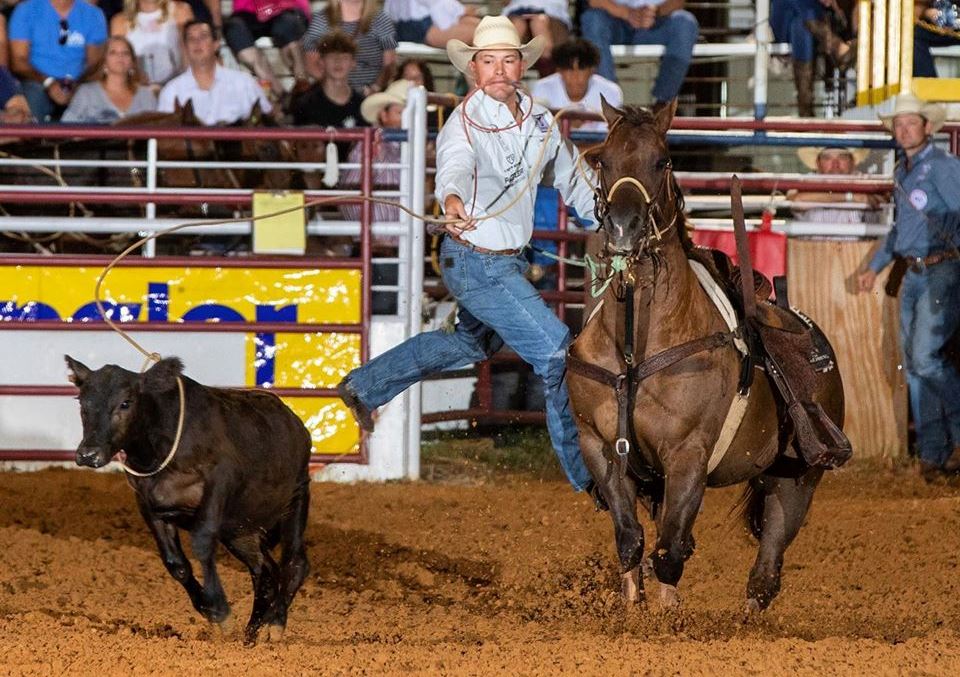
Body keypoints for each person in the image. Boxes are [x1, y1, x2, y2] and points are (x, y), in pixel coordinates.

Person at [336, 15, 599, 494]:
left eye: (507, 59)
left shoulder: (541, 119)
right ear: (475, 70)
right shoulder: (464, 121)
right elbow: (453, 168)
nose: (498, 70)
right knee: (558, 349)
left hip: (500, 260)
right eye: (488, 62)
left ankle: (364, 386)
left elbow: (574, 180)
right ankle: (587, 480)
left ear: (521, 66)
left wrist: (605, 216)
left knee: (470, 344)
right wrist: (451, 200)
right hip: (476, 259)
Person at [856, 94, 960, 481]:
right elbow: (901, 229)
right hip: (917, 272)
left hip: (940, 269)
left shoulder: (943, 169)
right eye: (898, 125)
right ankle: (934, 453)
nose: (903, 130)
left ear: (926, 127)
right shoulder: (905, 171)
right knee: (917, 365)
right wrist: (876, 266)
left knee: (924, 359)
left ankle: (949, 442)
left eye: (910, 123)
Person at [578, 0, 698, 105]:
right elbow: (593, 1)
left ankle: (662, 105)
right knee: (592, 19)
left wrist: (656, 12)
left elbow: (678, 2)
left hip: (655, 22)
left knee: (685, 23)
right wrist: (627, 13)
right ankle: (610, 104)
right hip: (613, 20)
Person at [157, 19, 271, 125]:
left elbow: (265, 118)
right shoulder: (171, 92)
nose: (197, 43)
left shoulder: (244, 83)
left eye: (203, 37)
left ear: (216, 44)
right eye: (191, 39)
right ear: (185, 48)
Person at [9, 0, 108, 122]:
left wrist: (73, 85)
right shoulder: (26, 10)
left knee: (93, 97)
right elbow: (19, 62)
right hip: (37, 81)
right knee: (30, 99)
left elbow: (94, 63)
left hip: (79, 82)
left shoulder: (93, 14)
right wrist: (49, 82)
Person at [770, 0, 855, 117]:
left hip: (817, 19)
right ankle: (836, 46)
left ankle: (805, 109)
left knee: (800, 26)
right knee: (797, 10)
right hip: (786, 19)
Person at [302, 0, 396, 96]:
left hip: (370, 95)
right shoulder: (320, 19)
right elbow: (312, 65)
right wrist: (336, 88)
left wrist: (375, 89)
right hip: (330, 94)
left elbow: (389, 65)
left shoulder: (381, 20)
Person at [221, 0, 309, 100]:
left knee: (287, 26)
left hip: (287, 9)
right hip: (248, 11)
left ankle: (303, 89)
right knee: (235, 30)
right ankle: (283, 97)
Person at [531, 37, 622, 132]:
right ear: (559, 71)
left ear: (592, 70)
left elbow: (607, 135)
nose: (575, 76)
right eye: (569, 69)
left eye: (581, 69)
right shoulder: (542, 89)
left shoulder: (610, 92)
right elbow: (540, 131)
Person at [62, 34, 156, 121]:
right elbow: (66, 127)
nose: (120, 56)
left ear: (132, 62)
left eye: (125, 53)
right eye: (113, 53)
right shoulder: (87, 93)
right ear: (104, 61)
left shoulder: (146, 95)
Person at [109, 0, 193, 92]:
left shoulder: (180, 11)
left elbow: (191, 57)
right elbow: (119, 68)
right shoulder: (119, 21)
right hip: (138, 93)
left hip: (178, 89)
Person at [788, 146, 883, 224]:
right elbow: (796, 200)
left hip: (864, 247)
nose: (835, 164)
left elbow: (881, 198)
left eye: (842, 157)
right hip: (811, 247)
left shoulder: (865, 180)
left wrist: (817, 198)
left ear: (852, 161)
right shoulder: (807, 181)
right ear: (818, 163)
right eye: (827, 158)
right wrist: (850, 197)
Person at [502, 0, 571, 74]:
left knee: (539, 24)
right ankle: (505, 76)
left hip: (551, 11)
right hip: (517, 11)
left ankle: (547, 75)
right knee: (516, 27)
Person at [383, 0, 478, 49]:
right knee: (482, 33)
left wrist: (461, 11)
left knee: (483, 26)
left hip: (418, 21)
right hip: (414, 25)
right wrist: (461, 10)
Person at [913, 0, 960, 78]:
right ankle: (927, 86)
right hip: (934, 26)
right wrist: (927, 13)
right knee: (912, 36)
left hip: (953, 24)